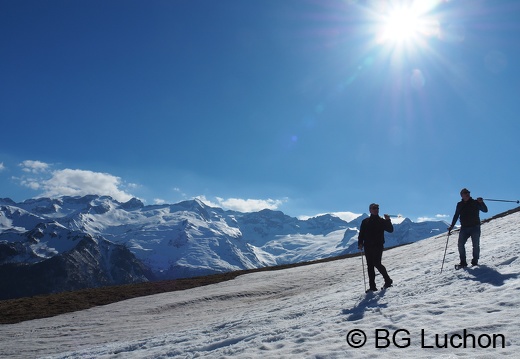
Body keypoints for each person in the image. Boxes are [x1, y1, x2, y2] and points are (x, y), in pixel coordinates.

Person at [358, 203, 394, 292]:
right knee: (370, 266)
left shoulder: (381, 221)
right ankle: (372, 287)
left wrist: (388, 220)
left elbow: (390, 230)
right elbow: (361, 233)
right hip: (367, 246)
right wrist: (360, 243)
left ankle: (388, 280)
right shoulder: (365, 221)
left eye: (377, 208)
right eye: (374, 208)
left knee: (377, 263)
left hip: (378, 245)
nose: (376, 210)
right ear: (370, 210)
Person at [448, 188, 488, 267]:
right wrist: (452, 226)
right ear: (462, 195)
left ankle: (475, 261)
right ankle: (463, 262)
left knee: (475, 245)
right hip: (464, 228)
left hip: (475, 226)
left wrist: (482, 203)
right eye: (465, 193)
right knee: (460, 244)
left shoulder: (475, 202)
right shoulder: (459, 204)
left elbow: (485, 210)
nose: (467, 194)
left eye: (468, 193)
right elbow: (456, 215)